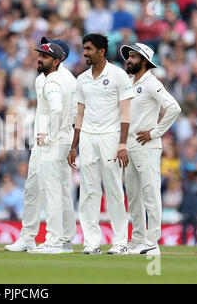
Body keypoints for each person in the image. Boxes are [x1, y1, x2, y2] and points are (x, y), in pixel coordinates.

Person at [5, 37, 76, 253]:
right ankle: (30, 236)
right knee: (34, 189)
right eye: (39, 54)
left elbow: (61, 111)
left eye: (44, 56)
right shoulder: (44, 78)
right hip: (46, 141)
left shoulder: (57, 79)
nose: (39, 58)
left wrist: (52, 136)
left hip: (52, 142)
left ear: (57, 59)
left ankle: (57, 241)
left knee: (54, 191)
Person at [67, 33, 135, 255]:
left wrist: (122, 144)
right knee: (88, 191)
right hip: (87, 136)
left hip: (111, 136)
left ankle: (120, 242)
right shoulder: (82, 79)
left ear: (101, 51)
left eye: (88, 49)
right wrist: (74, 145)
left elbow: (126, 113)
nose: (84, 52)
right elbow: (79, 114)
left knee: (114, 188)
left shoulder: (118, 76)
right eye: (84, 49)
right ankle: (91, 242)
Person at [119, 42, 182, 255]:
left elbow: (174, 107)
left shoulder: (151, 83)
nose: (129, 59)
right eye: (128, 56)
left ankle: (152, 242)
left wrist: (155, 132)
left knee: (150, 193)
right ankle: (137, 240)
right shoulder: (128, 82)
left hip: (147, 146)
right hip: (129, 146)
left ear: (144, 61)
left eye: (134, 57)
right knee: (134, 196)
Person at [180, 163, 197, 245]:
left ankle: (196, 243)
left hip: (195, 208)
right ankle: (183, 243)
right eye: (189, 172)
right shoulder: (184, 182)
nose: (190, 174)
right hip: (187, 208)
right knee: (184, 228)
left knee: (195, 228)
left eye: (193, 172)